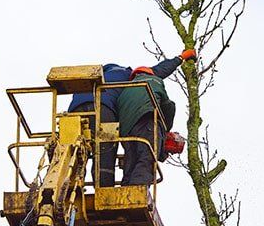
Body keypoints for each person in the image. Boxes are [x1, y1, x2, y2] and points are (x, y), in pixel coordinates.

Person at [67, 49, 196, 186]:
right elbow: (159, 71)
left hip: (74, 111)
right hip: (104, 109)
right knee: (105, 153)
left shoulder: (96, 78)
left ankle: (69, 185)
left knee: (71, 152)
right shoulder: (130, 78)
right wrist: (181, 57)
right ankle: (105, 194)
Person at [117, 61, 185, 186]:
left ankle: (126, 190)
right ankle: (138, 191)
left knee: (131, 161)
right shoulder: (154, 81)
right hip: (147, 120)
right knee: (147, 158)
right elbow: (168, 106)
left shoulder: (126, 88)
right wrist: (165, 130)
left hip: (125, 130)